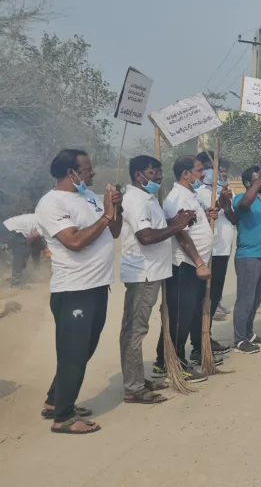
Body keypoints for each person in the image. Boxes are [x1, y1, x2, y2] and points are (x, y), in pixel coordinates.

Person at [35, 149, 122, 434]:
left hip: (97, 285)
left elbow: (114, 231)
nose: (93, 172)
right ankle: (64, 417)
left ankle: (54, 401)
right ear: (70, 172)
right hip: (74, 289)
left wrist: (115, 208)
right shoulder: (52, 203)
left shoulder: (89, 197)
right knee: (73, 353)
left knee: (84, 348)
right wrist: (106, 215)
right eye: (87, 168)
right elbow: (73, 242)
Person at [119, 155, 204, 405]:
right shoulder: (135, 200)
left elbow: (159, 226)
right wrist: (176, 227)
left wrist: (176, 221)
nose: (158, 176)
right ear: (138, 175)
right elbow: (145, 237)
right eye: (153, 172)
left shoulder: (149, 199)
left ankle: (137, 379)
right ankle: (133, 387)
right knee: (135, 330)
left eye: (159, 172)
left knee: (140, 328)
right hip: (143, 273)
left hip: (156, 271)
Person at [154, 156, 214, 382]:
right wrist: (199, 262)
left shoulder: (192, 195)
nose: (203, 174)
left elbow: (193, 225)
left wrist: (208, 216)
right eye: (199, 170)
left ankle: (163, 360)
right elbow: (181, 235)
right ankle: (175, 363)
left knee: (184, 314)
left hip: (193, 264)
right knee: (180, 316)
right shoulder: (177, 198)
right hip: (184, 265)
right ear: (186, 174)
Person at [221, 166, 261, 354]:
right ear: (247, 183)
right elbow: (245, 203)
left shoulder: (259, 201)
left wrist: (258, 181)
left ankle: (248, 333)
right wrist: (259, 180)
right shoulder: (241, 199)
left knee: (256, 299)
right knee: (245, 300)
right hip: (248, 257)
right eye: (258, 179)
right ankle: (239, 339)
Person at [190, 151, 233, 353]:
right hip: (208, 252)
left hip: (222, 251)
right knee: (202, 298)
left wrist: (225, 202)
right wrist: (218, 204)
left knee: (214, 297)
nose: (219, 174)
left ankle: (206, 335)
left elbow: (232, 217)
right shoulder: (197, 193)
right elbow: (200, 219)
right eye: (211, 169)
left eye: (222, 170)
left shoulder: (223, 191)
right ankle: (197, 342)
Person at [2, 212, 40, 287]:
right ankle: (16, 282)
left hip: (10, 228)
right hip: (11, 229)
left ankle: (21, 274)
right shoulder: (45, 225)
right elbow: (31, 238)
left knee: (25, 250)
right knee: (21, 253)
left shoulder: (41, 217)